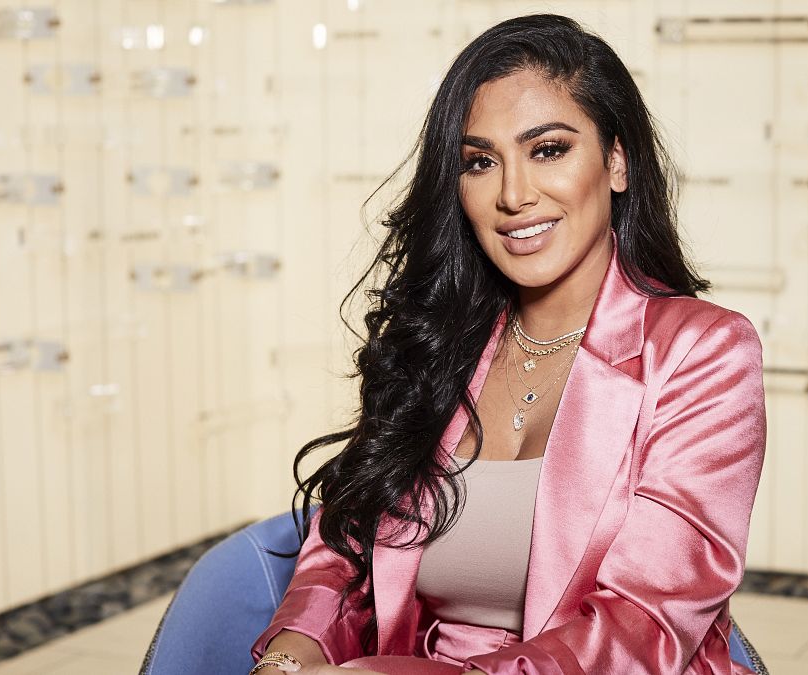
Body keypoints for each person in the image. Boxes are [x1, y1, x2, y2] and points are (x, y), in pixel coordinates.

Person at [249, 13, 766, 675]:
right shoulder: (441, 342)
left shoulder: (705, 353)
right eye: (481, 162)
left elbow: (643, 625)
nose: (514, 195)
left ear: (616, 161)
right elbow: (344, 555)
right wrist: (286, 662)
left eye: (548, 149)